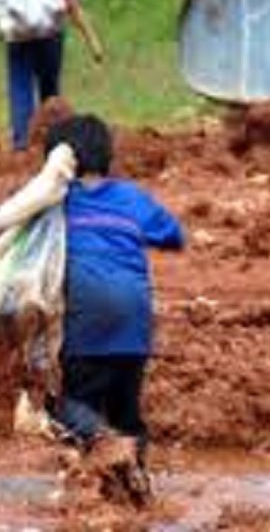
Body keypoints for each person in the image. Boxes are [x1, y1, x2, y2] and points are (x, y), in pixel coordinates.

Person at [44, 115, 184, 504]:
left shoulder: (56, 202)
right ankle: (136, 487)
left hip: (86, 324)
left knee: (67, 409)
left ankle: (103, 451)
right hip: (135, 327)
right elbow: (172, 234)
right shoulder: (131, 197)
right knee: (126, 411)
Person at [0, 0, 103, 150]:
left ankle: (22, 142)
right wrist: (91, 39)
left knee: (20, 88)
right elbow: (71, 1)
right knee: (49, 89)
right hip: (50, 31)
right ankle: (53, 141)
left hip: (18, 33)